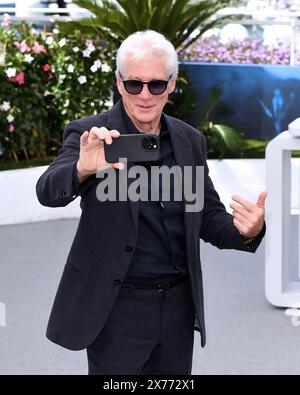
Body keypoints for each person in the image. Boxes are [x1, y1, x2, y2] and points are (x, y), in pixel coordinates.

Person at [36, 30, 267, 375]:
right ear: (118, 82)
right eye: (134, 84)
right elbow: (47, 190)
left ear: (172, 84)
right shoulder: (92, 136)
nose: (145, 95)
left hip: (176, 308)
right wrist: (82, 169)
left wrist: (248, 230)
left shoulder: (189, 141)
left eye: (156, 85)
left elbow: (206, 216)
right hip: (117, 309)